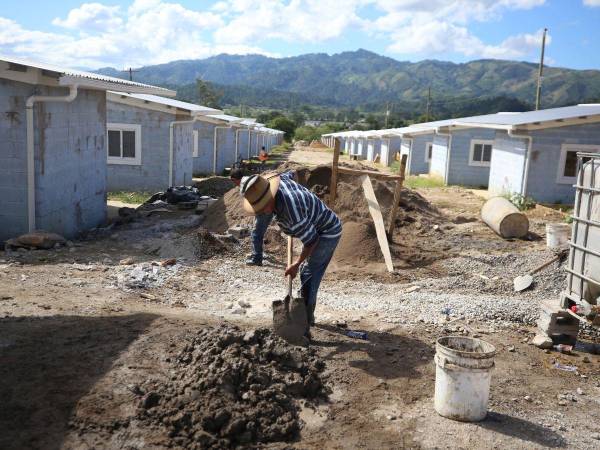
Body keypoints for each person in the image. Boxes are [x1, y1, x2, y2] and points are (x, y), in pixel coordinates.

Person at [239, 171, 342, 334]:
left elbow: (312, 241)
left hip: (327, 231)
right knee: (305, 271)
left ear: (270, 199)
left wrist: (296, 264)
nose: (259, 212)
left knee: (309, 273)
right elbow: (292, 174)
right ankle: (304, 311)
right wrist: (305, 205)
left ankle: (306, 322)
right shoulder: (277, 183)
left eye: (261, 208)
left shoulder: (292, 215)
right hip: (311, 224)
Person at [230, 169, 273, 266]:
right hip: (267, 207)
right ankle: (259, 253)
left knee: (256, 234)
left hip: (264, 209)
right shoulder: (250, 180)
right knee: (259, 232)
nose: (234, 184)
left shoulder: (246, 185)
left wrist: (264, 207)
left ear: (234, 179)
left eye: (233, 181)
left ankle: (257, 258)